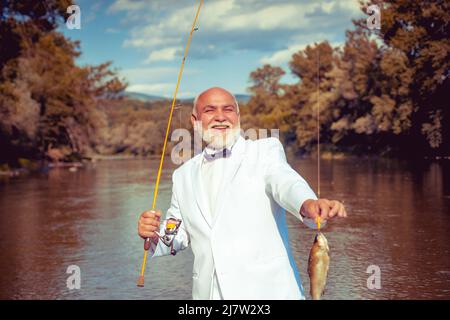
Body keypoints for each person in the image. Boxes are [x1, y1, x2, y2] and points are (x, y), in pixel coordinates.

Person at [137, 87, 347, 299]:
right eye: (210, 110)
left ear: (237, 116)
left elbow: (285, 182)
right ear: (195, 120)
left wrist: (307, 203)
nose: (220, 117)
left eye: (227, 109)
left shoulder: (265, 151)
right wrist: (154, 233)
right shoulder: (182, 175)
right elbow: (177, 232)